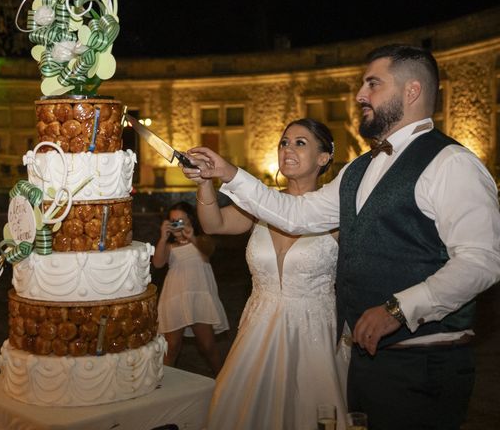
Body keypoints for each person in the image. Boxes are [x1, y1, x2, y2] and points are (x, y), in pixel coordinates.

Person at [182, 44, 500, 430]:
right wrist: (230, 174)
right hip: (365, 361)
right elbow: (295, 215)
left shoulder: (451, 163)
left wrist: (399, 309)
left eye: (372, 84)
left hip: (422, 363)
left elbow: (482, 260)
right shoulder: (358, 170)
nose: (360, 96)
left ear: (411, 91)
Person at [186, 118, 349, 430]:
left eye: (300, 143)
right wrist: (205, 182)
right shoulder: (262, 203)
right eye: (284, 142)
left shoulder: (336, 210)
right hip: (258, 330)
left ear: (324, 157)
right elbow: (214, 224)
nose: (287, 149)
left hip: (314, 332)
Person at [152, 201, 229, 375]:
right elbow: (158, 263)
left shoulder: (201, 240)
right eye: (173, 221)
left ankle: (223, 382)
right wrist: (163, 238)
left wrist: (192, 236)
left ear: (191, 220)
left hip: (199, 296)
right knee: (171, 347)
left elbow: (208, 251)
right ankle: (164, 385)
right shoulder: (170, 246)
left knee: (208, 346)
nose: (177, 225)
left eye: (181, 220)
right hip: (175, 296)